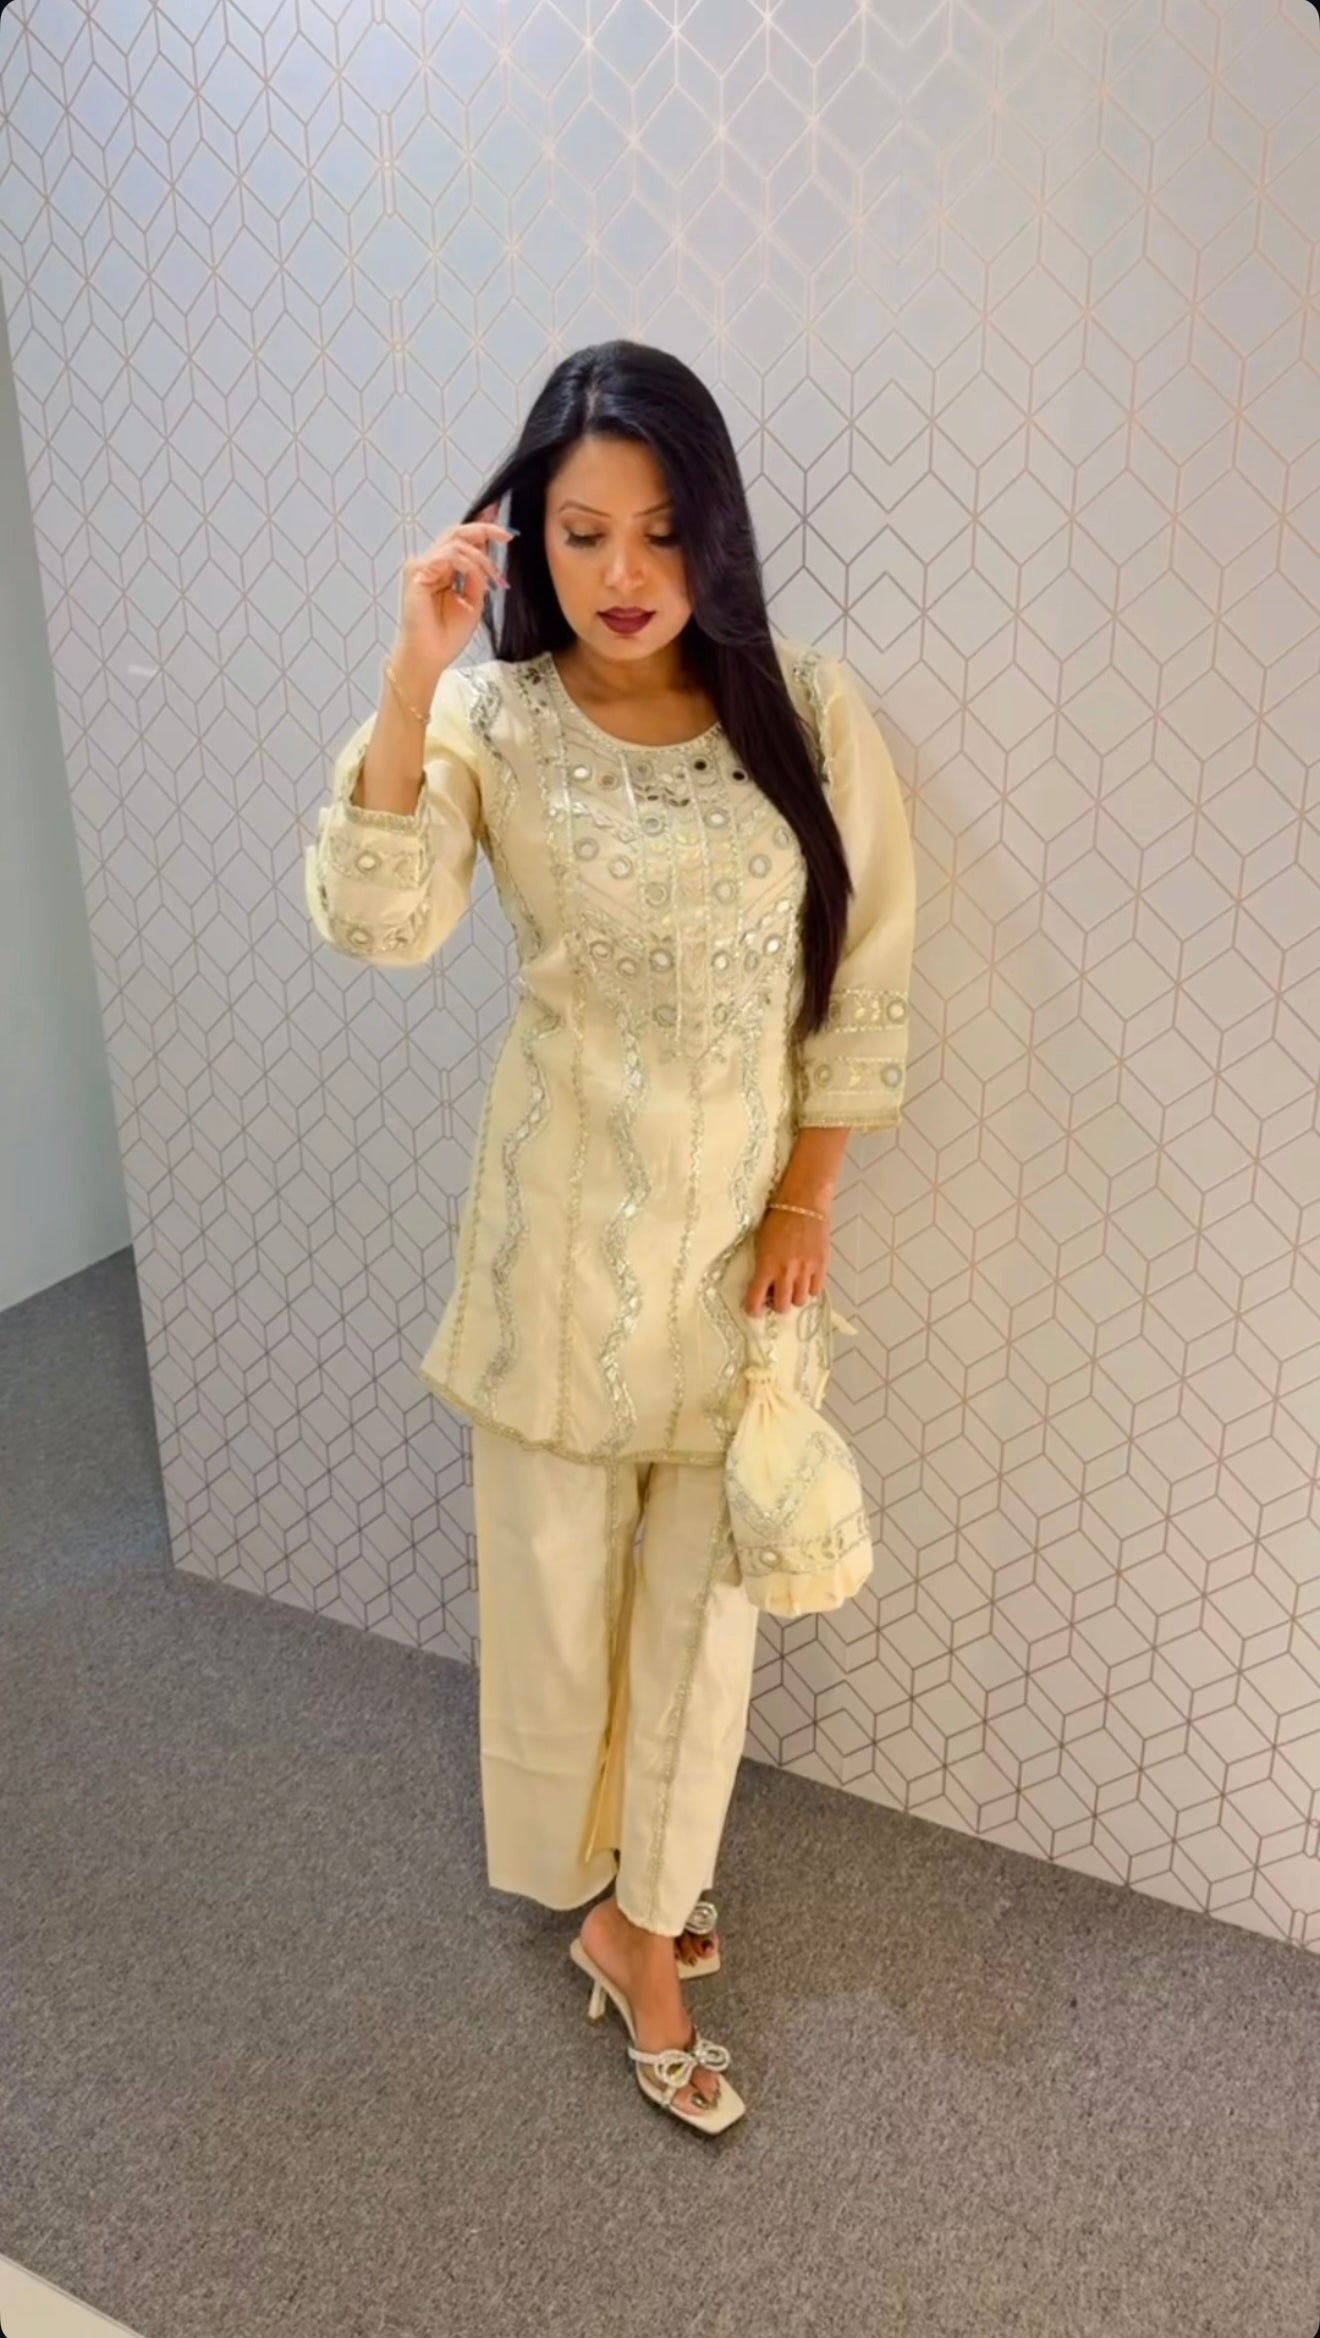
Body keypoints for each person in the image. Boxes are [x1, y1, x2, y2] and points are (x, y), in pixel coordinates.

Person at [304, 340, 915, 2134]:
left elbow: (868, 974)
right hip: (559, 1247)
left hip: (738, 1266)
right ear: (531, 537)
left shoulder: (808, 707)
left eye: (661, 529)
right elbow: (381, 922)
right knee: (561, 1607)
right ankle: (611, 1897)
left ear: (714, 527)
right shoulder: (492, 723)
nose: (625, 573)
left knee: (704, 1619)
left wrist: (806, 1197)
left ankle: (649, 1919)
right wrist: (414, 673)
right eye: (583, 534)